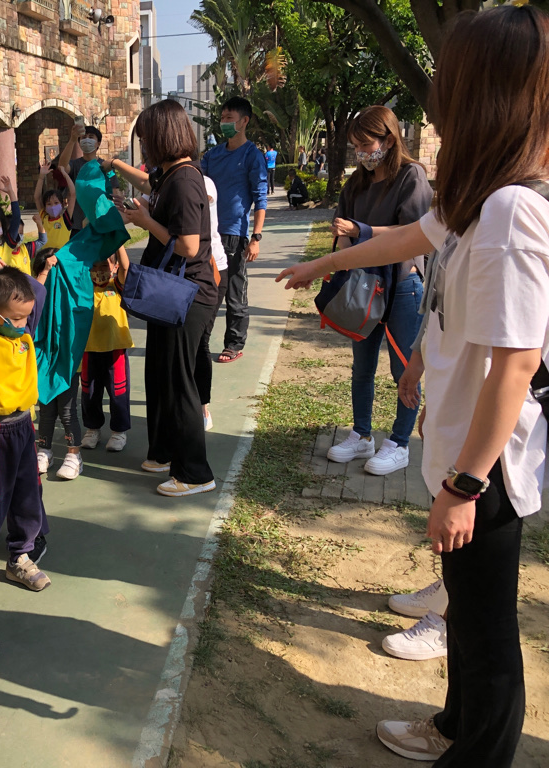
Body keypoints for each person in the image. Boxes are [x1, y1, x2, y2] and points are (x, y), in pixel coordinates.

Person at [277, 7, 549, 762]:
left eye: (449, 86)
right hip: (464, 445)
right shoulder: (479, 196)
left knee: (487, 631)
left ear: (483, 96)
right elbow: (409, 240)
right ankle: (453, 727)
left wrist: (465, 485)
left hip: (487, 466)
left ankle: (476, 750)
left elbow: (517, 363)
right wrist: (325, 264)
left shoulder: (512, 210)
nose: (436, 105)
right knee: (466, 613)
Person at [109, 98, 220, 497]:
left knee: (179, 381)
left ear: (162, 137)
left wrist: (145, 221)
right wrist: (141, 210)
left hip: (188, 294)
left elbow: (189, 246)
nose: (143, 146)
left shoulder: (185, 179)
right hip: (173, 292)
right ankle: (166, 452)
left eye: (145, 138)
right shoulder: (169, 175)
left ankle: (194, 473)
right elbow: (154, 199)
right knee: (161, 374)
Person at [324, 105, 431, 476]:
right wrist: (343, 243)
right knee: (362, 367)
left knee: (405, 369)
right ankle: (362, 434)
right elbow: (341, 232)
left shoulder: (412, 176)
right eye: (355, 146)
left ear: (388, 139)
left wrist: (361, 231)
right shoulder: (356, 183)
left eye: (365, 144)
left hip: (402, 286)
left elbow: (415, 233)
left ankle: (399, 443)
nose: (361, 153)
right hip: (364, 287)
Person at [0, 266, 52, 587]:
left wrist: (4, 271)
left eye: (25, 318)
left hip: (23, 426)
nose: (23, 325)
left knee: (27, 495)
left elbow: (39, 292)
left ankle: (20, 555)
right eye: (16, 318)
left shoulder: (21, 332)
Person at [201, 96, 268, 364]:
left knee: (234, 292)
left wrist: (256, 238)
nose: (224, 123)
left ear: (244, 121)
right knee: (206, 289)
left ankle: (234, 344)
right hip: (207, 233)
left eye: (229, 118)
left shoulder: (252, 155)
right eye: (222, 118)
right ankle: (200, 341)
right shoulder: (212, 156)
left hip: (234, 235)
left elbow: (260, 199)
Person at [32, 249, 84, 480]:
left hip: (67, 363)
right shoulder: (36, 294)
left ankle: (74, 455)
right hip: (44, 361)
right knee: (45, 410)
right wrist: (46, 270)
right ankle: (44, 451)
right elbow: (35, 296)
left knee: (67, 411)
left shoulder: (72, 295)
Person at [80, 247, 133, 451]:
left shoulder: (117, 285)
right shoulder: (84, 287)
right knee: (89, 392)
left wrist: (119, 245)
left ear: (114, 267)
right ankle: (92, 429)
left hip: (115, 350)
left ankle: (119, 432)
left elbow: (126, 268)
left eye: (104, 265)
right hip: (89, 349)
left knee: (118, 391)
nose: (98, 270)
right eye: (94, 266)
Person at [196, 175, 229, 432]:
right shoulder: (161, 180)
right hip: (180, 274)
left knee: (200, 341)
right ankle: (182, 399)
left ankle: (202, 407)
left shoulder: (201, 182)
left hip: (212, 270)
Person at [57, 123, 118, 234]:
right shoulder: (75, 165)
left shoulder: (106, 167)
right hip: (78, 225)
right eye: (83, 137)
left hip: (100, 224)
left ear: (98, 143)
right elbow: (62, 166)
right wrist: (72, 139)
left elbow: (115, 193)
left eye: (91, 137)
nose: (87, 140)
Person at [34, 163, 76, 250]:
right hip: (45, 255)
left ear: (63, 204)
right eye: (49, 204)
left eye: (56, 203)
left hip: (60, 255)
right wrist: (41, 177)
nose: (53, 206)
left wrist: (65, 174)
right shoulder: (44, 217)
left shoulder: (65, 219)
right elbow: (37, 197)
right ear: (45, 207)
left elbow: (73, 194)